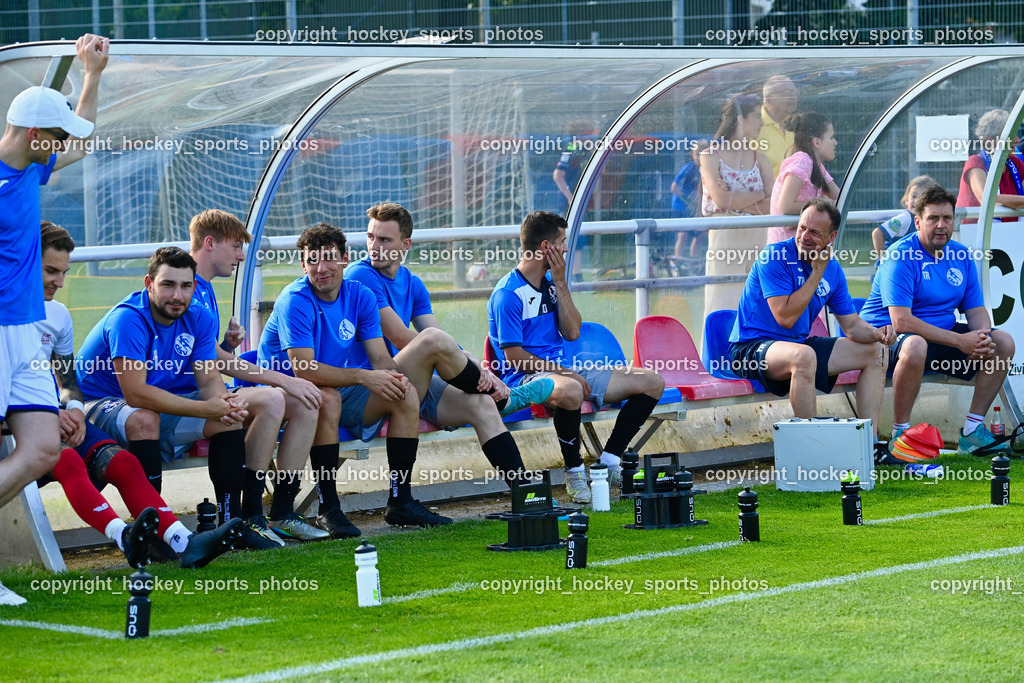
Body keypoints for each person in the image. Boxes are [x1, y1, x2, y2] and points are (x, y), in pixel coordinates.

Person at [36, 222, 241, 569]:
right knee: (73, 459)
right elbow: (136, 394)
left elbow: (66, 380)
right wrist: (50, 412)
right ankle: (132, 538)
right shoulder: (126, 319)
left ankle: (198, 536)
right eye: (51, 271)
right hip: (44, 415)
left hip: (61, 413)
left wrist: (72, 408)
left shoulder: (58, 314)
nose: (61, 282)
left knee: (124, 463)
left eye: (64, 272)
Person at [259, 223, 471, 531]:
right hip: (285, 394)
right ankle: (328, 508)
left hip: (336, 386)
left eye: (329, 258)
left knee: (404, 394)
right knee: (328, 398)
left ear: (345, 259)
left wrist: (397, 380)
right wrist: (363, 377)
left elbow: (381, 359)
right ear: (303, 265)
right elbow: (303, 369)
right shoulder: (296, 299)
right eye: (312, 260)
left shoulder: (360, 295)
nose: (321, 268)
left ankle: (401, 501)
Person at [74, 247, 278, 551]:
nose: (177, 295)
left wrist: (222, 405)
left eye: (185, 286)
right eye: (168, 285)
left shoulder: (199, 316)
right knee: (144, 418)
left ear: (194, 287)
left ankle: (230, 525)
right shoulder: (128, 319)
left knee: (227, 418)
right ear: (149, 284)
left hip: (158, 401)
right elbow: (135, 393)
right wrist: (205, 408)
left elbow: (208, 380)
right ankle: (154, 533)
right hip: (99, 402)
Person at [0, 34, 108, 606]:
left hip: (25, 335)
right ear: (35, 134)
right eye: (57, 136)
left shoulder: (27, 169)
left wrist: (91, 75)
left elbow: (82, 146)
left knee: (43, 449)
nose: (64, 146)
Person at [345, 202, 552, 487]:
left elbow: (442, 340)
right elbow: (401, 337)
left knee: (481, 404)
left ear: (405, 245)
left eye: (384, 239)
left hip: (408, 380)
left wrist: (476, 365)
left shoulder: (412, 282)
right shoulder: (360, 275)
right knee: (434, 341)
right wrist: (474, 365)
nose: (374, 246)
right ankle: (504, 397)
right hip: (370, 389)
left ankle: (524, 491)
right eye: (370, 237)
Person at [487, 211, 666, 503]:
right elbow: (515, 357)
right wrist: (567, 374)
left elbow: (572, 332)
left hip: (565, 370)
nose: (567, 248)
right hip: (527, 378)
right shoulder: (508, 294)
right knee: (571, 389)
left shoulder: (550, 284)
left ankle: (609, 461)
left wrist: (561, 284)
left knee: (652, 382)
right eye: (562, 241)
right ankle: (574, 472)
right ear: (546, 247)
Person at [188, 209, 327, 542]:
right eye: (236, 247)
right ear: (210, 243)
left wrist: (225, 345)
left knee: (306, 401)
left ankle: (282, 513)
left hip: (206, 391)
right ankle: (250, 515)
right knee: (274, 397)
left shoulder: (204, 288)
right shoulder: (184, 287)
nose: (240, 256)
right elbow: (213, 361)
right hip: (186, 400)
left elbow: (203, 355)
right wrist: (284, 378)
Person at [729, 199, 895, 457]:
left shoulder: (833, 270)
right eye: (802, 228)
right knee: (804, 356)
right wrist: (817, 273)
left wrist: (878, 334)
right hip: (749, 349)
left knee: (876, 352)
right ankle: (813, 451)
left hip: (795, 347)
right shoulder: (774, 256)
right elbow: (785, 317)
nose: (805, 236)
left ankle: (870, 446)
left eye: (815, 232)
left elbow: (852, 325)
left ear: (832, 237)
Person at [859, 186, 1015, 456]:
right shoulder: (900, 255)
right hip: (885, 340)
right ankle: (901, 435)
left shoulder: (961, 255)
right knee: (915, 345)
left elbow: (975, 310)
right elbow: (901, 322)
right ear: (918, 222)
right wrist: (960, 341)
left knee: (1003, 342)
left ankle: (972, 431)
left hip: (938, 337)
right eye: (933, 218)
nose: (941, 225)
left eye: (947, 218)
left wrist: (981, 338)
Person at [700, 94, 775, 317]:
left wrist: (737, 203)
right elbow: (721, 200)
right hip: (726, 238)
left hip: (758, 236)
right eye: (756, 116)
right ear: (740, 119)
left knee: (757, 302)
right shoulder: (710, 155)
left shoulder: (761, 158)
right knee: (721, 300)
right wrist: (759, 196)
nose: (761, 123)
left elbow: (774, 203)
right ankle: (719, 341)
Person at [955, 108, 1024, 249]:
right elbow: (988, 199)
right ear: (990, 141)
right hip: (976, 244)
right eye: (1010, 135)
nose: (1017, 140)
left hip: (1011, 241)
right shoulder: (975, 163)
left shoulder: (1015, 163)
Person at [767, 112, 840, 245]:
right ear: (817, 142)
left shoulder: (816, 165)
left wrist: (825, 204)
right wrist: (820, 206)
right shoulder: (801, 161)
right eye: (831, 137)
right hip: (786, 250)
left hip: (802, 247)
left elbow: (839, 198)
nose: (835, 142)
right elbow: (785, 206)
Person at [871, 176, 939, 272]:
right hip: (891, 271)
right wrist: (884, 261)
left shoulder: (928, 222)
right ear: (906, 199)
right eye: (914, 196)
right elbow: (877, 233)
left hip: (907, 269)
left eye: (922, 197)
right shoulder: (905, 219)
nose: (916, 201)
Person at [755, 75, 798, 178]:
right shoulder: (753, 124)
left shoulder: (796, 126)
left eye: (794, 92)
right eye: (787, 92)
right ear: (768, 98)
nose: (793, 97)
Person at [670, 141, 706, 265]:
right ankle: (677, 264)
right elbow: (674, 188)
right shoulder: (688, 169)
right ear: (692, 155)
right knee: (683, 235)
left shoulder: (707, 168)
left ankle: (693, 264)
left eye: (703, 153)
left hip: (696, 208)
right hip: (681, 207)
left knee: (699, 235)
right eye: (698, 154)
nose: (700, 156)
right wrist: (690, 201)